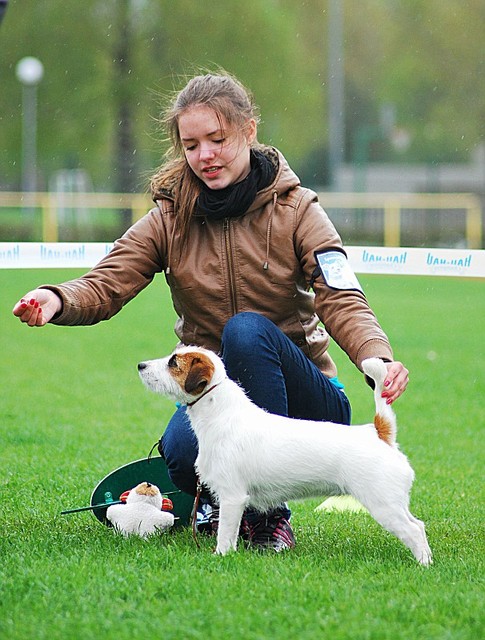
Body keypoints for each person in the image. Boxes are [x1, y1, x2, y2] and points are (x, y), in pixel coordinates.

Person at [13, 72, 409, 552]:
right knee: (182, 456)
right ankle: (219, 500)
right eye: (192, 144)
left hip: (310, 400)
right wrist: (56, 299)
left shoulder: (299, 208)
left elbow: (340, 292)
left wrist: (375, 357)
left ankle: (268, 518)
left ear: (249, 130)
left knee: (245, 332)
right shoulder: (169, 217)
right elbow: (107, 281)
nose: (205, 155)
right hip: (215, 397)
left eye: (218, 140)